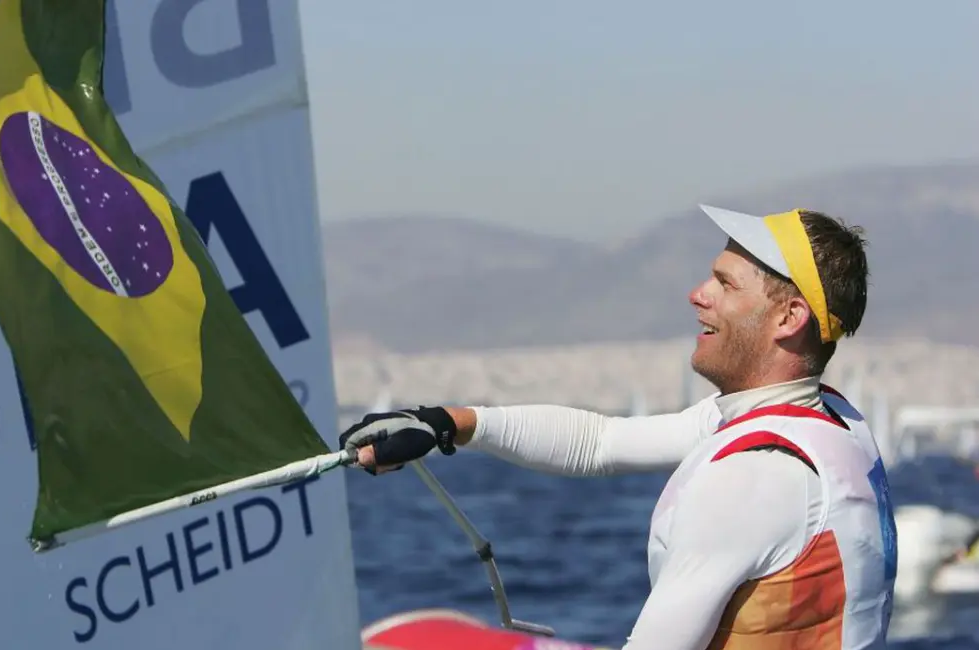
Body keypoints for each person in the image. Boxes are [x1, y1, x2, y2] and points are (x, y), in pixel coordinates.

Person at [340, 204, 896, 649]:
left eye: (725, 285)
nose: (697, 294)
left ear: (788, 317)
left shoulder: (757, 476)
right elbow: (600, 442)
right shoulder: (830, 421)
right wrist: (449, 424)